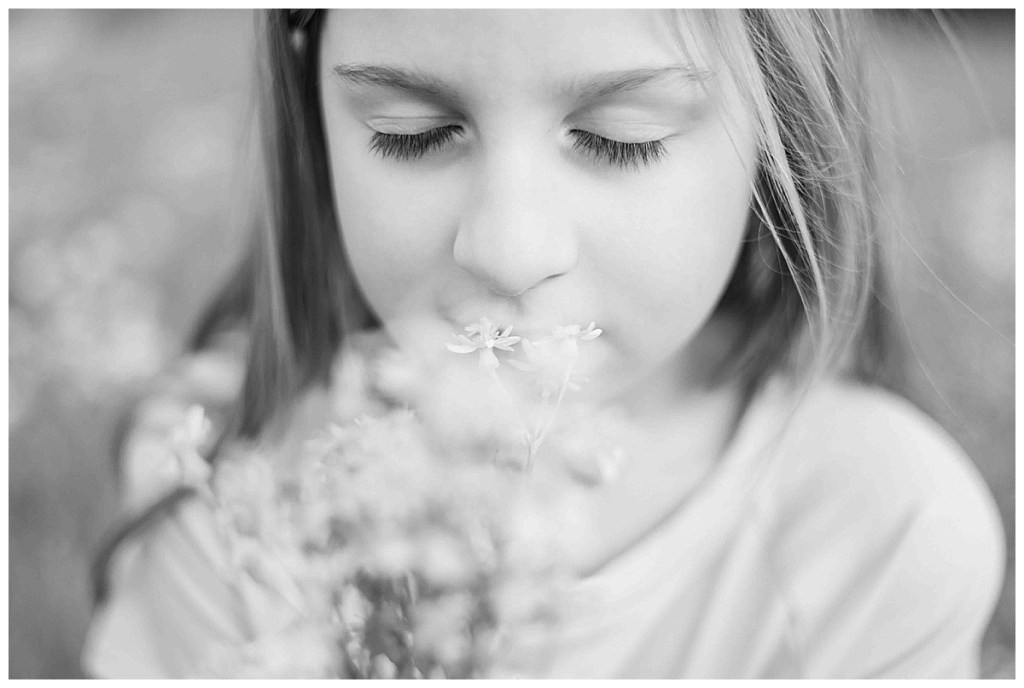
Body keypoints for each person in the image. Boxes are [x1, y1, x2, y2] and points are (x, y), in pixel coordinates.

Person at [82, 9, 1004, 678]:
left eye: (618, 139)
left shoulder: (880, 535)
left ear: (780, 129)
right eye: (415, 134)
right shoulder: (232, 501)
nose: (509, 248)